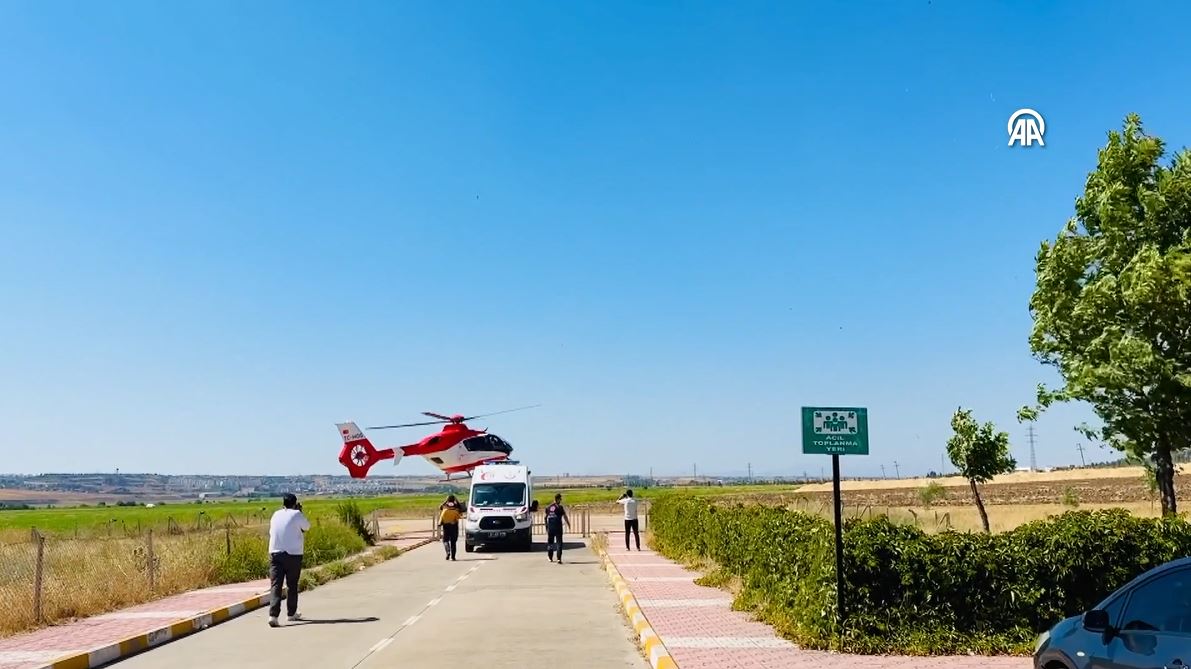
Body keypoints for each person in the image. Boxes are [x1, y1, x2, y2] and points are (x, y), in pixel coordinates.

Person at [267, 493, 310, 628]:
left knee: (276, 585)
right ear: (295, 503)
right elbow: (307, 527)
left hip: (275, 553)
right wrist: (300, 512)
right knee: (292, 584)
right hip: (293, 554)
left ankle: (273, 616)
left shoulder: (275, 514)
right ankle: (291, 613)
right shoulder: (296, 514)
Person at [544, 493, 570, 564]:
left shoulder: (548, 507)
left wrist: (546, 526)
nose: (561, 500)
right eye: (560, 499)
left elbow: (545, 517)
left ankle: (550, 557)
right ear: (558, 499)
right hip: (558, 527)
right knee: (559, 543)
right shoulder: (560, 507)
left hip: (550, 527)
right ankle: (559, 558)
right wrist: (568, 524)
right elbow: (565, 516)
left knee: (550, 543)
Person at [439, 494, 463, 561]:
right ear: (454, 500)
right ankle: (453, 557)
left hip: (446, 525)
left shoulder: (445, 506)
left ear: (448, 500)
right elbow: (461, 509)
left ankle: (448, 552)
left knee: (445, 540)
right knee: (453, 542)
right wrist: (457, 500)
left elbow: (440, 507)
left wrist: (445, 500)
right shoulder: (456, 507)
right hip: (454, 525)